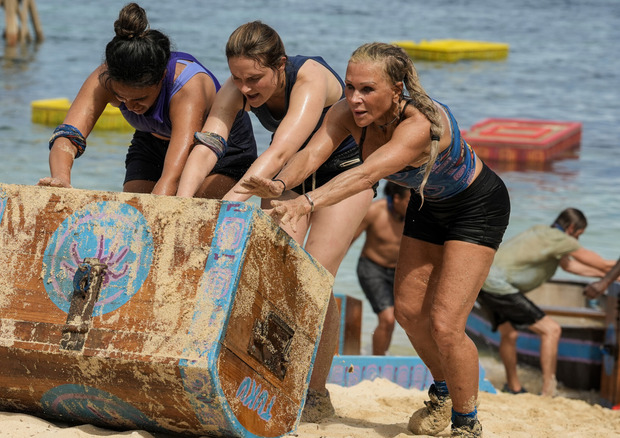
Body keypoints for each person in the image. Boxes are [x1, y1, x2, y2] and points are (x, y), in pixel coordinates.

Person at [236, 42, 511, 437]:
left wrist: (308, 203)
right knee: (409, 314)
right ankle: (443, 392)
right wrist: (280, 184)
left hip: (476, 206)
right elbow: (311, 155)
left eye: (367, 89)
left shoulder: (419, 124)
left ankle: (467, 424)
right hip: (427, 204)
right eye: (349, 87)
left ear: (397, 89)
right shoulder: (347, 113)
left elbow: (365, 177)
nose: (354, 98)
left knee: (446, 324)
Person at [176, 21, 375, 422]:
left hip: (342, 178)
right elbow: (210, 142)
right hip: (284, 180)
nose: (245, 89)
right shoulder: (239, 84)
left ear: (280, 65)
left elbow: (282, 148)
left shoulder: (310, 79)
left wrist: (233, 203)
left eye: (255, 79)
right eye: (237, 78)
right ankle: (270, 376)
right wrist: (183, 204)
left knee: (314, 279)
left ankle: (316, 391)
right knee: (275, 274)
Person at [38, 3, 256, 198]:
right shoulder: (104, 78)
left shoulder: (188, 87)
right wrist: (61, 179)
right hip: (152, 142)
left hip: (220, 147)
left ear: (161, 77)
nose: (130, 106)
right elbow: (68, 135)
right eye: (121, 98)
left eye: (139, 99)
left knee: (188, 206)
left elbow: (171, 180)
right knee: (134, 207)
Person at [477, 208, 616, 397]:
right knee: (551, 330)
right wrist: (611, 271)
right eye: (579, 235)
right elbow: (602, 264)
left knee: (509, 334)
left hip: (482, 281)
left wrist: (605, 277)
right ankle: (548, 391)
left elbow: (570, 266)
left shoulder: (542, 231)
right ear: (572, 227)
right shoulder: (561, 240)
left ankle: (513, 387)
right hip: (500, 286)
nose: (577, 241)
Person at [353, 181, 410, 356]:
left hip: (398, 272)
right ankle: (376, 361)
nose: (414, 205)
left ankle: (381, 355)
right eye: (410, 200)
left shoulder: (415, 218)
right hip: (372, 268)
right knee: (387, 318)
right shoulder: (374, 212)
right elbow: (347, 241)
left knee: (398, 320)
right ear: (397, 198)